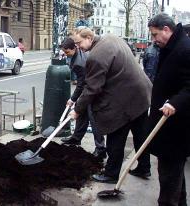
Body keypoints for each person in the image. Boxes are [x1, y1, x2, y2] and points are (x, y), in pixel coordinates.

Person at [70, 27, 152, 183]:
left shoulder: (95, 56)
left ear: (88, 38)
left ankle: (111, 174)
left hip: (125, 99)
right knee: (140, 134)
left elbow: (92, 88)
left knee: (115, 135)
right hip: (141, 94)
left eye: (79, 42)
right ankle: (144, 167)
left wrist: (77, 109)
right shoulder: (111, 38)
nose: (78, 47)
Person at [147, 13, 190, 206]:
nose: (154, 40)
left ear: (166, 29)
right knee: (174, 173)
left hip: (176, 127)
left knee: (169, 175)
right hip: (169, 123)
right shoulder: (174, 46)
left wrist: (175, 103)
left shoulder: (184, 49)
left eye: (155, 35)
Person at [59, 37, 106, 160]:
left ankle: (101, 149)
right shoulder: (78, 54)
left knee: (93, 118)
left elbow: (81, 84)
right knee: (82, 115)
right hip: (89, 88)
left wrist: (73, 99)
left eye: (67, 51)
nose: (66, 54)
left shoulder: (78, 63)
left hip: (93, 91)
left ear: (74, 48)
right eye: (64, 52)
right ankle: (76, 139)